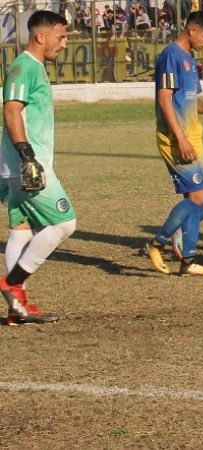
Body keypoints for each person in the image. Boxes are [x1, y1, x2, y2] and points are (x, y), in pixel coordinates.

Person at [0, 11, 75, 325]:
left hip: (20, 167)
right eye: (61, 37)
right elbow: (11, 109)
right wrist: (27, 155)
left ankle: (16, 309)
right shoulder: (24, 67)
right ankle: (12, 284)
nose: (65, 43)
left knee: (21, 232)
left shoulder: (35, 68)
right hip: (29, 166)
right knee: (64, 224)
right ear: (40, 36)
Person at [144, 12, 203, 276]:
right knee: (198, 197)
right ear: (191, 30)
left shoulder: (188, 60)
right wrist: (180, 138)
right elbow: (165, 100)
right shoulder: (170, 56)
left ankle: (188, 261)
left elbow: (189, 100)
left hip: (191, 136)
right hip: (177, 139)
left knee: (196, 198)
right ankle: (156, 243)